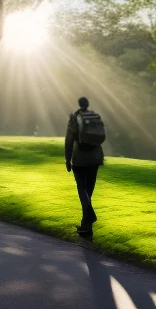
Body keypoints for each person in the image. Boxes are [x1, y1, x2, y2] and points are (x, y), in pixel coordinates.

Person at [65, 95, 105, 239]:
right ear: (87, 104)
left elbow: (69, 140)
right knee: (88, 191)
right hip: (95, 158)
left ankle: (89, 219)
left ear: (79, 104)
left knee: (82, 191)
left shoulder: (75, 118)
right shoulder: (95, 116)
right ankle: (86, 227)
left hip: (80, 159)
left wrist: (67, 159)